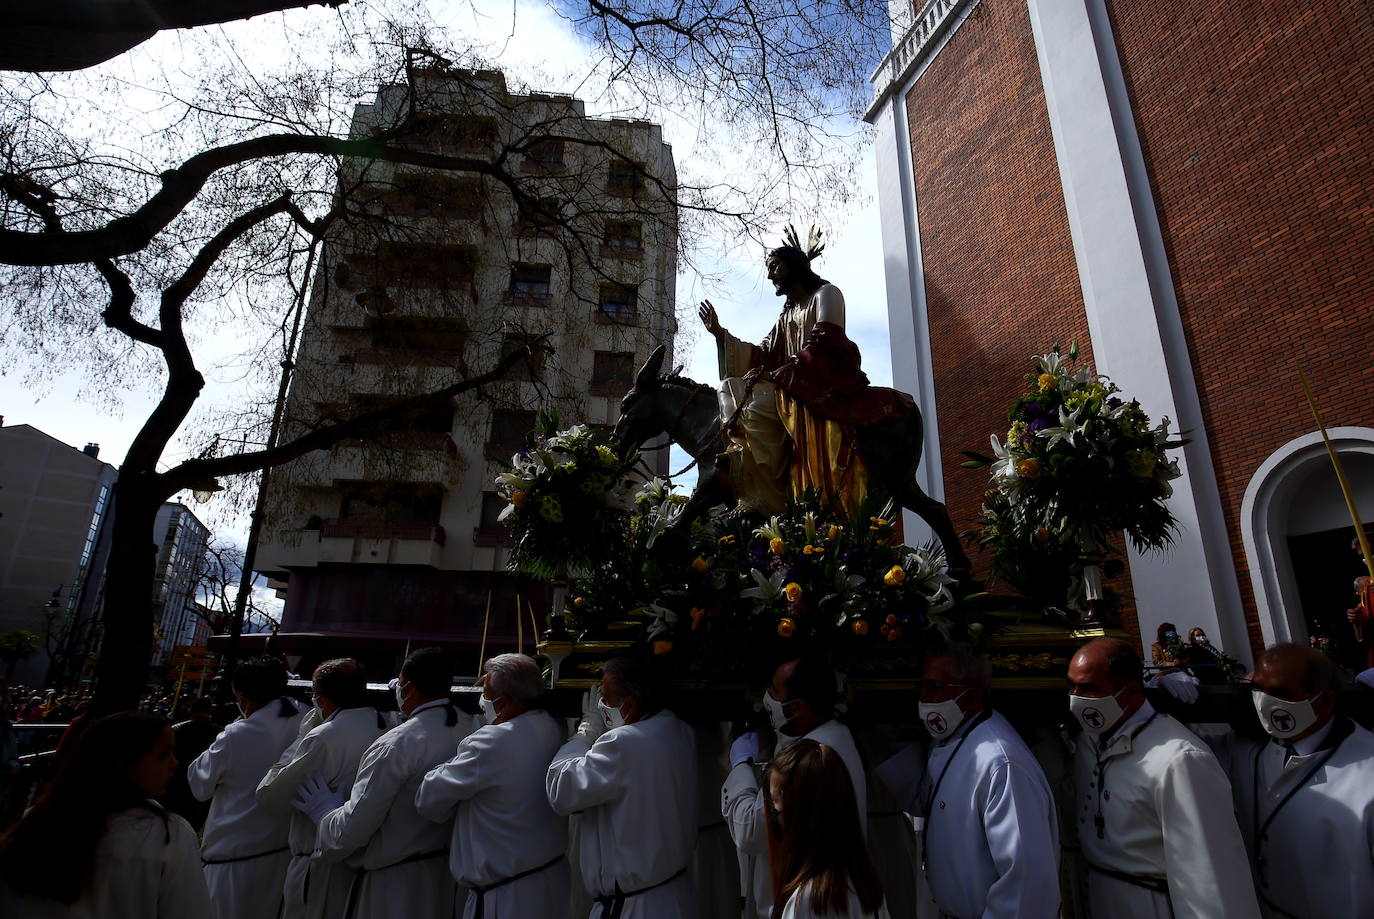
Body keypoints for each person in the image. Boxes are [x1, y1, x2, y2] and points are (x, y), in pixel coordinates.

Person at [698, 227, 913, 518]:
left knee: (756, 405)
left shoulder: (827, 294)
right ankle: (745, 464)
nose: (771, 275)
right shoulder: (786, 315)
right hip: (790, 385)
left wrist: (777, 376)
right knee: (729, 387)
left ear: (794, 265)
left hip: (821, 387)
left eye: (774, 266)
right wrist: (720, 335)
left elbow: (826, 345)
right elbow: (764, 355)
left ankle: (772, 492)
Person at [1067, 637, 1259, 918]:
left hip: (1151, 904)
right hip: (1100, 895)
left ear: (1131, 692)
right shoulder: (1088, 741)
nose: (1076, 698)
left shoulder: (1180, 759)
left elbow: (1208, 874)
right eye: (1071, 686)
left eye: (1089, 689)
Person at [302, 647, 472, 919]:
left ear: (409, 689)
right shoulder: (467, 727)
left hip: (393, 884)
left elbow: (352, 830)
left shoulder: (395, 744)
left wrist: (325, 813)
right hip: (442, 876)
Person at [1208, 643, 1374, 918]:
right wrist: (1161, 696)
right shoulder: (1244, 750)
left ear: (1326, 699)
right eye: (1257, 690)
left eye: (1280, 693)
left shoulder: (1367, 769)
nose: (1264, 702)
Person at [0, 711, 213, 917]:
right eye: (163, 755)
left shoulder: (34, 820)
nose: (174, 764)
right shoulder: (168, 835)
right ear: (125, 762)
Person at [416, 653, 570, 919]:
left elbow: (428, 799)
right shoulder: (549, 725)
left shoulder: (489, 742)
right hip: (547, 881)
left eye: (485, 691)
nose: (482, 699)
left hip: (505, 896)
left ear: (505, 702)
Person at [546, 653, 698, 919]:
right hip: (671, 895)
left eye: (606, 698)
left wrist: (585, 733)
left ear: (629, 705)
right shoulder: (679, 729)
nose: (602, 705)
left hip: (634, 906)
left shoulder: (622, 742)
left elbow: (561, 789)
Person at [913, 644, 1060, 919]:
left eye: (934, 686)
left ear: (970, 698)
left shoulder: (1001, 764)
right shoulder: (952, 740)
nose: (924, 696)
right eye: (922, 686)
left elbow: (1024, 879)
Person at [723, 656, 867, 919]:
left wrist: (740, 766)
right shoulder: (836, 736)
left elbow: (750, 831)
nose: (766, 697)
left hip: (808, 903)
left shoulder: (808, 758)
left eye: (774, 691)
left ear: (797, 707)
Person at [256, 658, 389, 919]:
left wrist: (302, 737)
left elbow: (270, 796)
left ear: (322, 699)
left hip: (315, 861)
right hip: (355, 860)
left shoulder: (323, 735)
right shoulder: (378, 722)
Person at [188, 655, 305, 919]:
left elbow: (198, 785)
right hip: (282, 856)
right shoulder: (306, 717)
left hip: (232, 862)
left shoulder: (236, 735)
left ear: (244, 699)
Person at [765, 738, 887, 919]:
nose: (774, 814)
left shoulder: (806, 901)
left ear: (797, 812)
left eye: (775, 802)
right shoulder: (865, 887)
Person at [164, 696, 221, 831]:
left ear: (191, 711)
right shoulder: (219, 733)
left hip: (176, 781)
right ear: (209, 712)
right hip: (202, 782)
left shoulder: (175, 729)